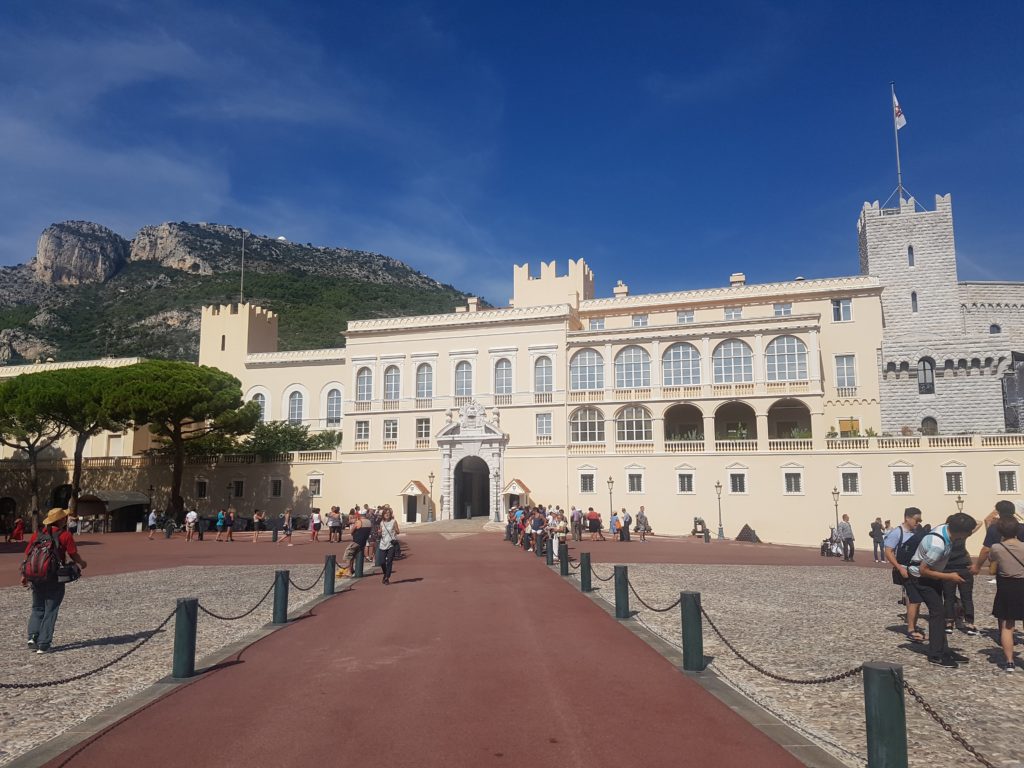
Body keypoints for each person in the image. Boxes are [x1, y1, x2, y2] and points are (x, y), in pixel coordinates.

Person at [907, 512, 977, 668]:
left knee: (941, 612)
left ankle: (943, 649)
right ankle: (936, 654)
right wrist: (949, 577)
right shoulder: (938, 545)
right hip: (921, 578)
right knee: (938, 612)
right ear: (961, 532)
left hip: (934, 576)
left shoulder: (947, 529)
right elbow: (923, 570)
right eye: (968, 532)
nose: (970, 534)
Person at [21, 507, 88, 653]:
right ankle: (44, 644)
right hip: (54, 577)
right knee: (51, 609)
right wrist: (82, 563)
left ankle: (32, 637)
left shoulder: (37, 534)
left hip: (36, 576)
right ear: (61, 520)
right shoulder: (65, 535)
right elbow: (73, 554)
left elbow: (28, 555)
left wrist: (25, 575)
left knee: (37, 607)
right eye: (64, 517)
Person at [973, 516, 1024, 673]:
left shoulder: (996, 547)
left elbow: (992, 561)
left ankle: (1009, 662)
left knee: (1008, 626)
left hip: (1007, 586)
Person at [884, 507, 925, 643]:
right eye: (916, 520)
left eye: (920, 520)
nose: (918, 522)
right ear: (907, 518)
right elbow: (889, 551)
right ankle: (911, 629)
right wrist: (899, 567)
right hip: (905, 570)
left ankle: (912, 625)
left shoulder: (917, 531)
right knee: (914, 599)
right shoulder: (897, 532)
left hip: (917, 569)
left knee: (915, 599)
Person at [941, 518, 978, 637]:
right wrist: (962, 517)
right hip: (964, 567)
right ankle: (970, 623)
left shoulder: (945, 537)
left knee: (948, 597)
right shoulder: (963, 535)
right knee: (967, 597)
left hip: (948, 568)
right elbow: (979, 523)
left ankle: (949, 623)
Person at [341, 511, 373, 576]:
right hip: (363, 541)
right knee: (353, 554)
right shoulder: (369, 522)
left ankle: (349, 571)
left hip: (357, 541)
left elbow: (352, 531)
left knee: (348, 553)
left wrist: (354, 524)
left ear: (359, 515)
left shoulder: (359, 522)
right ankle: (351, 569)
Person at [377, 507, 400, 584]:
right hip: (383, 544)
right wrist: (379, 533)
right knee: (382, 562)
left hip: (391, 544)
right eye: (385, 513)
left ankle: (387, 577)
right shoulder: (381, 523)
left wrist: (396, 531)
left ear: (390, 515)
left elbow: (398, 531)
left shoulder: (394, 522)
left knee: (389, 561)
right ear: (383, 515)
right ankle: (385, 573)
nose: (387, 514)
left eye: (388, 513)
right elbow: (380, 534)